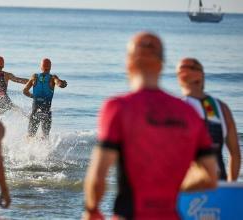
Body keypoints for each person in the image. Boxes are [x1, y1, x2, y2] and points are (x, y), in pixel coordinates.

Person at [83, 32, 218, 220]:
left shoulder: (118, 107)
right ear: (161, 65)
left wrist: (92, 209)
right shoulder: (189, 113)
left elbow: (98, 177)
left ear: (129, 63)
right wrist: (169, 187)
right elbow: (210, 177)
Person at [176, 57, 241, 181]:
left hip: (187, 188)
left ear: (181, 78)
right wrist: (230, 185)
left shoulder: (178, 107)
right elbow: (235, 154)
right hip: (218, 185)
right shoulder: (221, 108)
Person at [23, 58, 67, 139]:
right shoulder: (52, 78)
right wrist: (63, 83)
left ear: (41, 67)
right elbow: (60, 84)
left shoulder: (34, 77)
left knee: (29, 137)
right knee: (45, 137)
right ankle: (45, 151)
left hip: (35, 112)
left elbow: (25, 91)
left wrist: (33, 96)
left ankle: (28, 151)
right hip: (46, 112)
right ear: (50, 67)